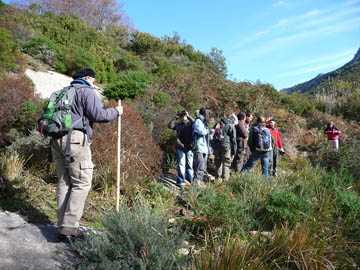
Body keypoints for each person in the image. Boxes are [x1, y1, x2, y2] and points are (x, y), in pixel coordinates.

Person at [50, 68, 123, 241]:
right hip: (75, 140)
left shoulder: (62, 92)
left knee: (64, 182)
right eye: (94, 80)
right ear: (88, 77)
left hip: (56, 140)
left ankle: (62, 225)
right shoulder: (87, 91)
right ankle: (69, 228)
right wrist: (117, 111)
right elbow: (99, 115)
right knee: (82, 182)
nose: (95, 83)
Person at [168, 111, 194, 188]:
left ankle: (190, 181)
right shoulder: (178, 124)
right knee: (181, 165)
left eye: (184, 116)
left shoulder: (190, 124)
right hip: (180, 147)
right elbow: (170, 126)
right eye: (181, 116)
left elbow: (196, 123)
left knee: (189, 165)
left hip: (189, 147)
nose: (183, 117)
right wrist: (174, 118)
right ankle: (181, 182)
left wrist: (188, 116)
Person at [192, 108, 210, 185]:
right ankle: (196, 182)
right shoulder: (198, 121)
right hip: (198, 147)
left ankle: (199, 181)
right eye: (207, 114)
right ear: (204, 114)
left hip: (204, 148)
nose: (208, 115)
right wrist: (208, 130)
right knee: (200, 165)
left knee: (202, 166)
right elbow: (201, 132)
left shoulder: (203, 122)